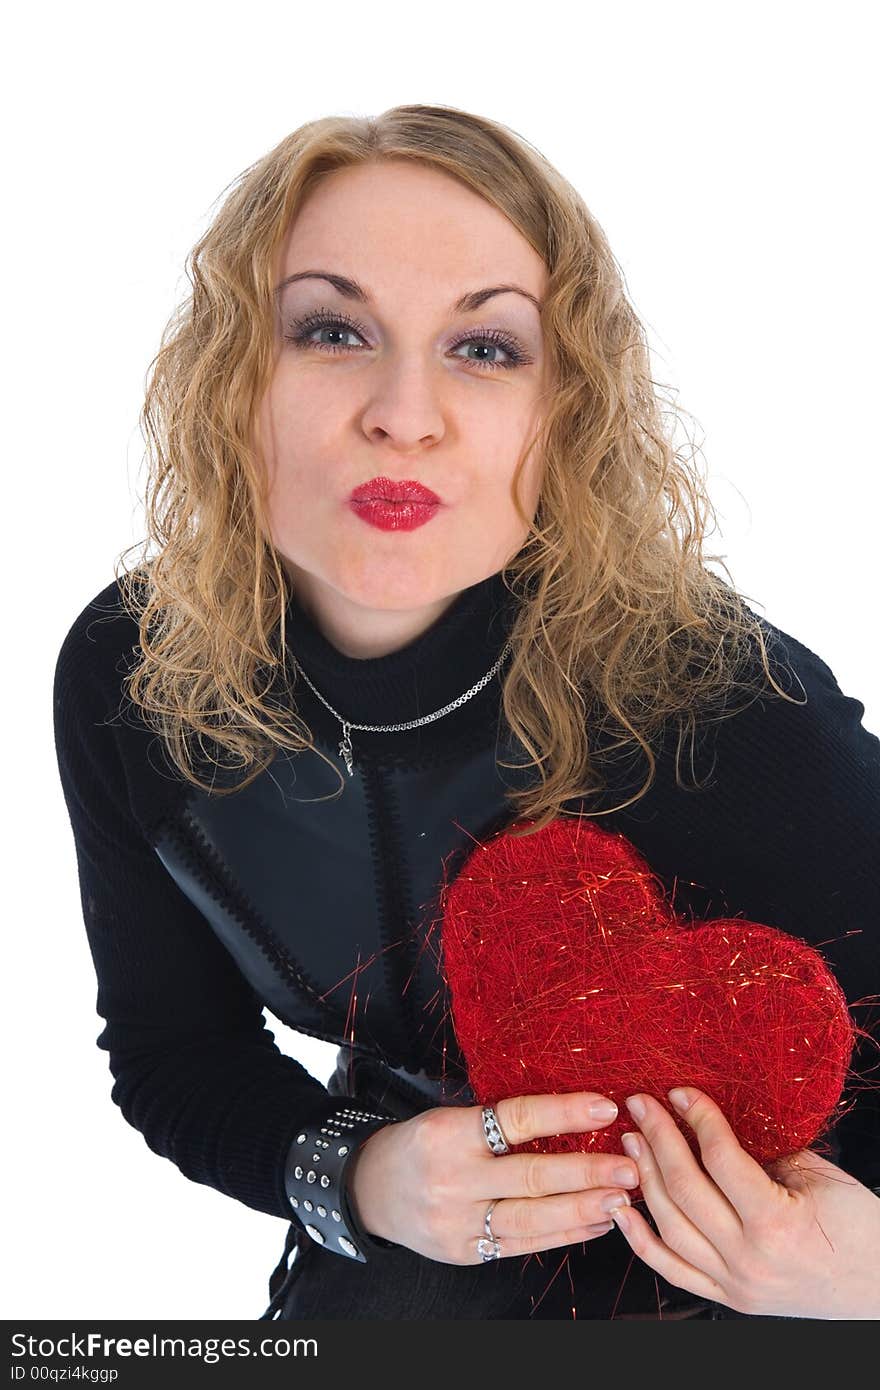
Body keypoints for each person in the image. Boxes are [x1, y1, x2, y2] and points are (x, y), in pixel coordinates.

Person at [52, 104, 880, 1322]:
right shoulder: (132, 671)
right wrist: (363, 1176)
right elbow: (178, 1059)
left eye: (484, 348)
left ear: (567, 408)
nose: (405, 411)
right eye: (333, 330)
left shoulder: (723, 699)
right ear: (233, 378)